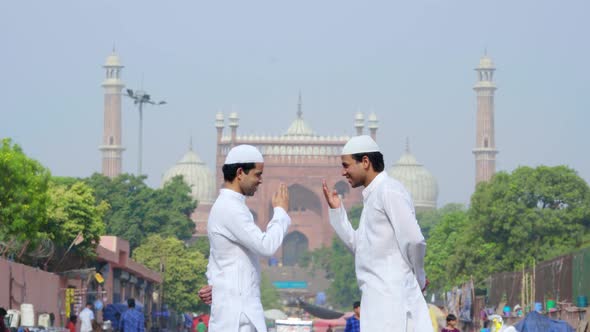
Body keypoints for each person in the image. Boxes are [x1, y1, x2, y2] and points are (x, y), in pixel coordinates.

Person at [322, 135, 433, 332]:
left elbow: (415, 240)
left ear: (365, 162)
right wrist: (337, 213)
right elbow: (360, 247)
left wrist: (419, 277)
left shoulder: (389, 191)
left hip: (391, 301)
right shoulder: (373, 196)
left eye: (346, 165)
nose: (343, 172)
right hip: (377, 299)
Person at [197, 144, 291, 332]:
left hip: (236, 310)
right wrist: (280, 212)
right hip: (237, 315)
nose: (261, 180)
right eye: (257, 174)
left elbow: (218, 256)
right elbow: (266, 246)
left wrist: (212, 283)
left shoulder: (231, 206)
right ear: (240, 173)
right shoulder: (230, 208)